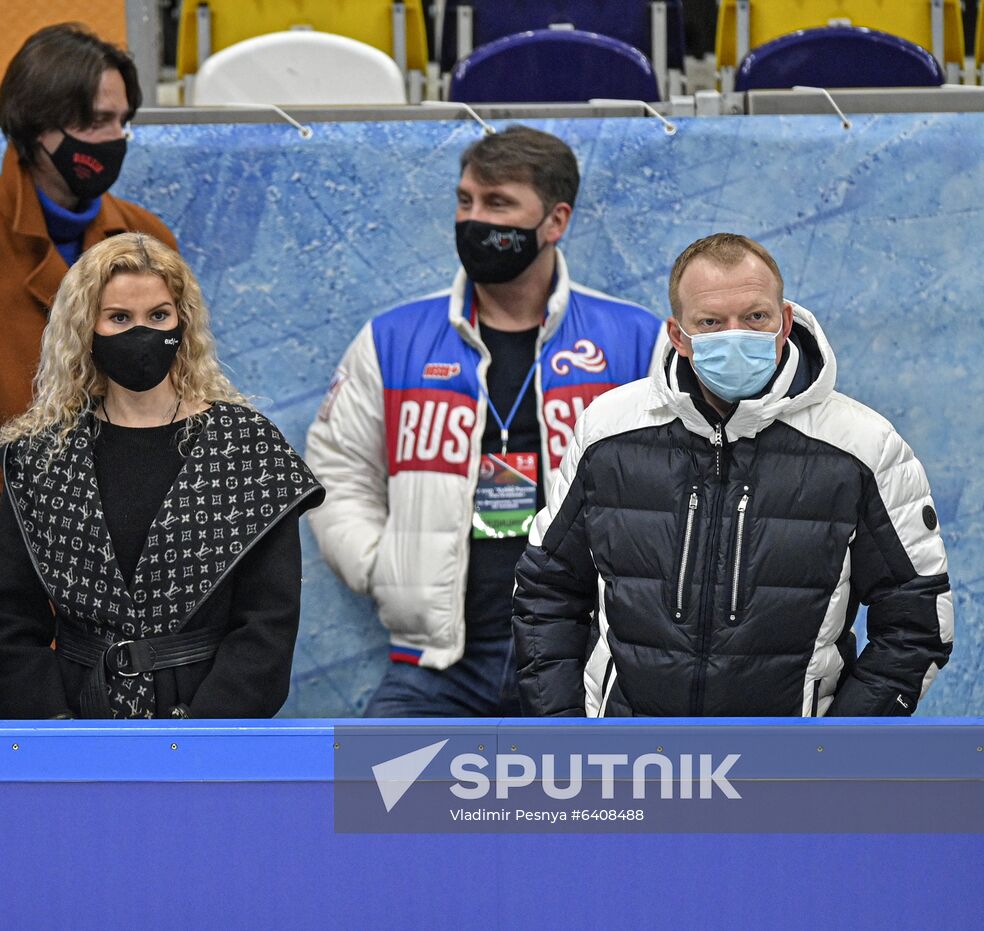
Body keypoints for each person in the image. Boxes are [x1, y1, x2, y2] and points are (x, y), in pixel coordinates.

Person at [511, 233, 954, 716]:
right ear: (678, 336)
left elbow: (917, 621)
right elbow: (546, 590)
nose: (735, 335)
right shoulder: (608, 431)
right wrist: (564, 728)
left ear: (784, 322)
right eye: (711, 323)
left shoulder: (863, 446)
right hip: (629, 756)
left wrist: (839, 745)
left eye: (755, 317)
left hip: (788, 766)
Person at [306, 126, 662, 716]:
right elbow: (336, 469)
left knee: (601, 810)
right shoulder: (393, 339)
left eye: (498, 204)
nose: (474, 220)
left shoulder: (633, 341)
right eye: (465, 200)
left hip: (586, 657)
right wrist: (381, 565)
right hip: (435, 665)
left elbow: (677, 485)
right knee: (375, 801)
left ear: (555, 221)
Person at [0, 23, 177, 718]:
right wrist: (45, 559)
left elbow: (184, 408)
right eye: (92, 122)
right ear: (35, 127)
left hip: (142, 596)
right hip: (5, 604)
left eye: (121, 121)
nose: (111, 139)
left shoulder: (150, 242)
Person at [0, 234, 323, 719]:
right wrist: (55, 732)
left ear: (182, 322)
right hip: (77, 722)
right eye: (119, 318)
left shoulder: (245, 448)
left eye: (158, 316)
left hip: (207, 724)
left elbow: (268, 623)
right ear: (85, 328)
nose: (141, 334)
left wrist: (202, 738)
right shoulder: (41, 456)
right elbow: (9, 623)